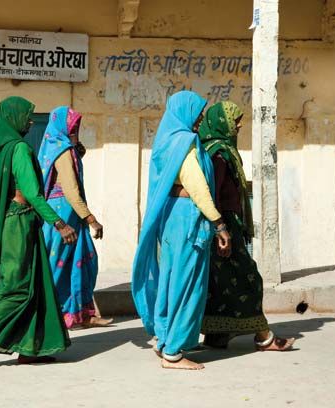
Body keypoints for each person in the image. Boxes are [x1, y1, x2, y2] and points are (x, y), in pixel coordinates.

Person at [0, 96, 76, 372]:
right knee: (17, 288)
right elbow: (32, 194)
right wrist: (59, 223)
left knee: (35, 287)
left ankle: (29, 348)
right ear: (14, 118)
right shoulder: (19, 149)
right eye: (27, 115)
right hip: (19, 226)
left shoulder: (0, 148)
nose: (31, 121)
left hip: (12, 224)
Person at [131, 90, 232, 370]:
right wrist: (219, 223)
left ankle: (164, 339)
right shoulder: (186, 143)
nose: (201, 117)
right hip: (188, 217)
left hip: (171, 216)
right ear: (186, 112)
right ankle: (174, 352)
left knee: (171, 279)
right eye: (198, 112)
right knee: (188, 284)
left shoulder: (165, 140)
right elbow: (198, 187)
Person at [199, 101, 295, 351]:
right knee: (248, 279)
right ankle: (264, 337)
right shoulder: (219, 155)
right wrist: (223, 231)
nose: (239, 124)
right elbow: (213, 195)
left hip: (223, 225)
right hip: (223, 227)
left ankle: (217, 335)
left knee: (220, 283)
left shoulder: (222, 150)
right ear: (222, 123)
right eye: (235, 120)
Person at [37, 106, 112, 329]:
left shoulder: (63, 147)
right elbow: (70, 190)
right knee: (58, 267)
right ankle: (50, 316)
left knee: (83, 264)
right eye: (73, 126)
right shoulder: (61, 150)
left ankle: (83, 313)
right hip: (63, 215)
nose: (76, 129)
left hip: (72, 215)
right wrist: (91, 219)